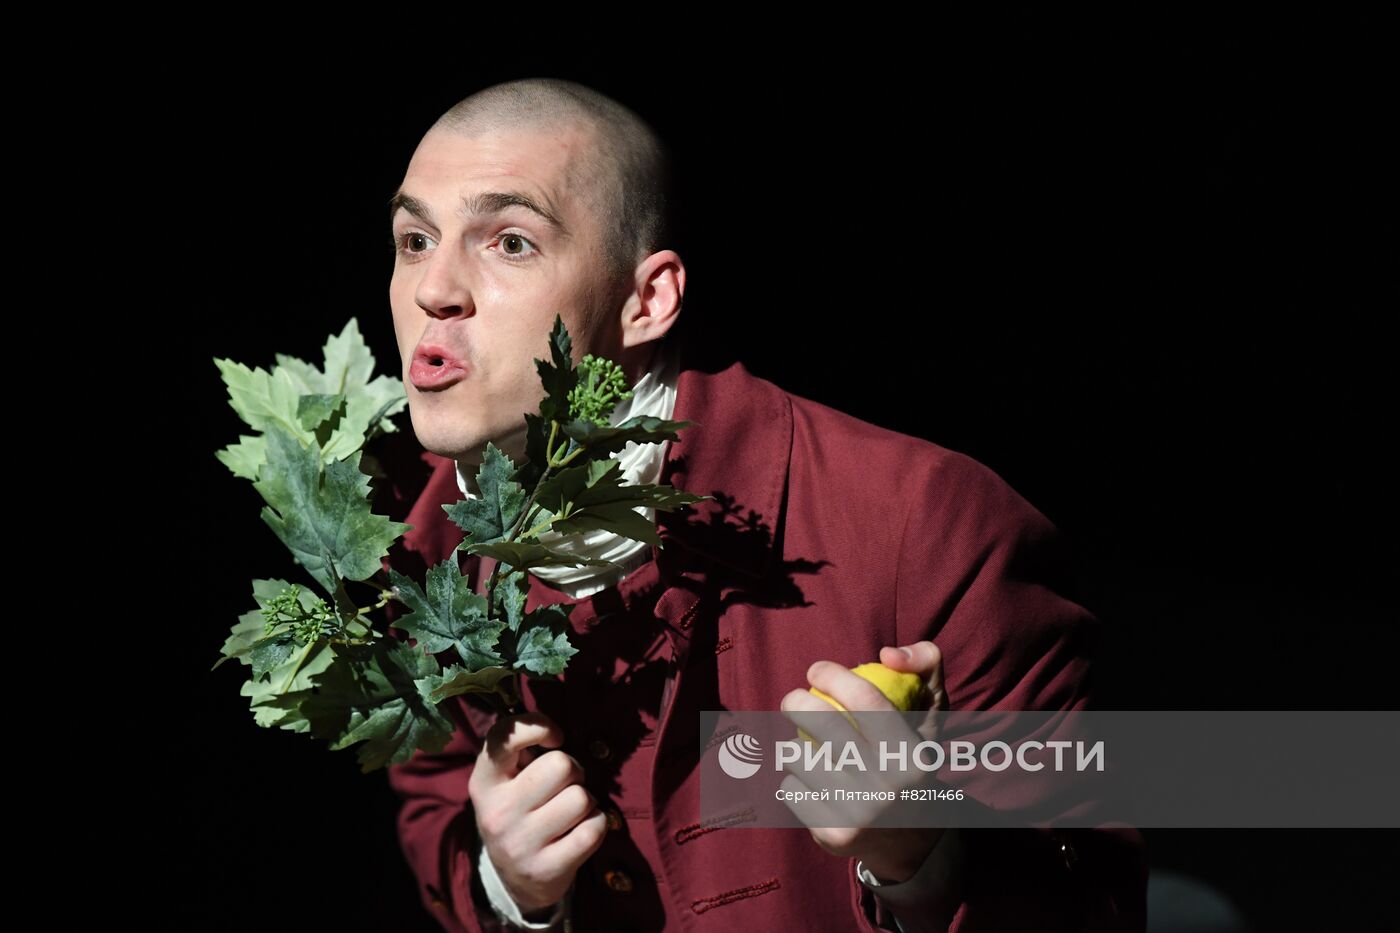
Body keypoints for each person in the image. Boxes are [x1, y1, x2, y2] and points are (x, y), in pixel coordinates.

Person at [379, 77, 1147, 932]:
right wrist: (505, 883)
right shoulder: (424, 540)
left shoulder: (926, 522)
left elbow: (1098, 904)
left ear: (649, 300)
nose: (433, 289)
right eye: (415, 238)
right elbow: (433, 807)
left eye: (510, 242)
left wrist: (922, 853)